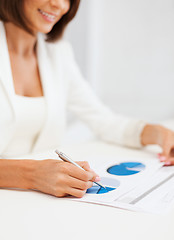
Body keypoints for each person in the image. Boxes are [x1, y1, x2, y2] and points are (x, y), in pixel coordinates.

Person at [0, 0, 174, 198]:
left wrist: (158, 134)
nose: (59, 5)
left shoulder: (58, 54)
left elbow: (104, 120)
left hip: (40, 201)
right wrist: (32, 175)